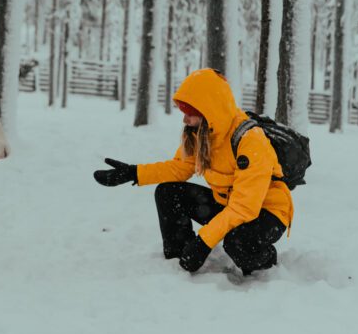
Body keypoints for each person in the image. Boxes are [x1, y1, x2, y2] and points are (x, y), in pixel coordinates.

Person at [93, 68, 293, 275]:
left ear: (209, 111)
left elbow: (245, 207)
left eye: (189, 113)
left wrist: (203, 242)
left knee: (238, 244)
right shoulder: (202, 133)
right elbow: (180, 168)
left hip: (265, 212)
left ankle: (266, 258)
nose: (184, 119)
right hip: (228, 204)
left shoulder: (251, 140)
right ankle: (179, 257)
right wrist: (133, 173)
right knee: (168, 193)